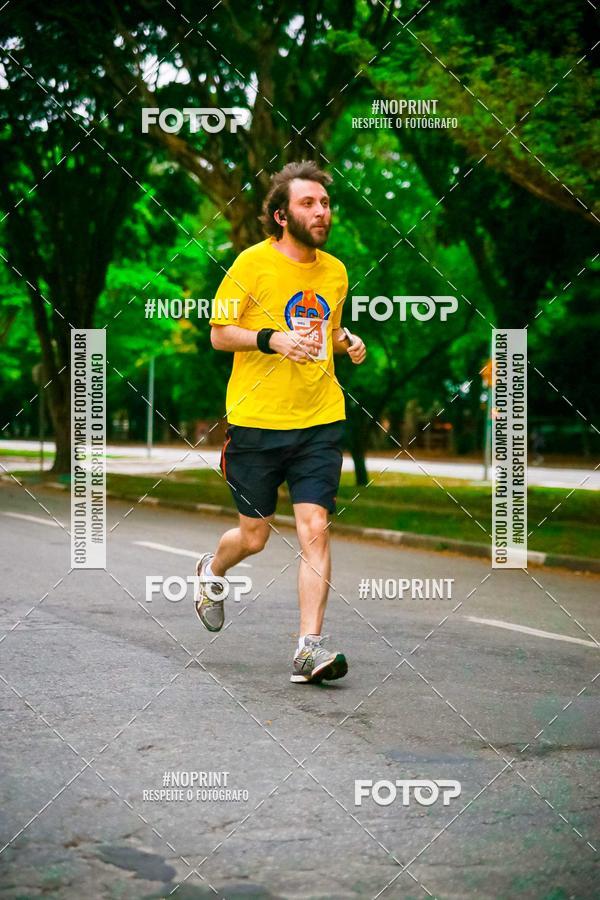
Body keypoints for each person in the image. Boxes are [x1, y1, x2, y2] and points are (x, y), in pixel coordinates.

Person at [195, 160, 366, 684]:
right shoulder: (250, 265)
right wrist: (270, 339)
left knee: (315, 526)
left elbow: (324, 330)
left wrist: (347, 341)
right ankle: (212, 571)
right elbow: (220, 333)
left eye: (325, 203)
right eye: (309, 203)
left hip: (319, 419)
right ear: (281, 215)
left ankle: (308, 649)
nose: (322, 211)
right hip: (256, 422)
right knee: (255, 537)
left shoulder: (334, 272)